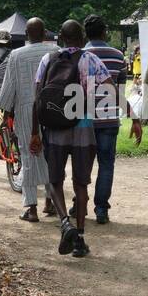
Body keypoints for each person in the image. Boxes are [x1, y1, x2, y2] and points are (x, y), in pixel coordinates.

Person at [30, 19, 114, 258]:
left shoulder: (48, 60)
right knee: (81, 183)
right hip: (83, 126)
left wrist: (35, 132)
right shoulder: (91, 59)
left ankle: (64, 223)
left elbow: (38, 98)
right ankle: (79, 239)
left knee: (54, 180)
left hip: (54, 127)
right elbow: (109, 89)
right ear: (81, 38)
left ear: (61, 38)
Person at [83, 13, 143, 224]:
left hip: (83, 119)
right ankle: (101, 209)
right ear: (104, 32)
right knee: (106, 164)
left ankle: (77, 204)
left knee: (83, 163)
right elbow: (118, 92)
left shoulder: (79, 55)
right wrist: (134, 118)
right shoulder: (117, 56)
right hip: (108, 119)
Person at [0, 18, 57, 222]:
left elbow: (9, 87)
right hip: (51, 109)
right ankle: (50, 201)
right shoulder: (55, 52)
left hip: (24, 110)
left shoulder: (16, 55)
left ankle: (31, 208)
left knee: (29, 155)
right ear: (44, 33)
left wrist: (5, 113)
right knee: (51, 154)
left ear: (26, 35)